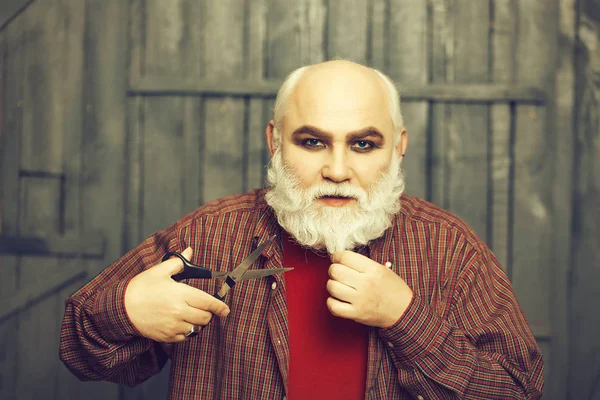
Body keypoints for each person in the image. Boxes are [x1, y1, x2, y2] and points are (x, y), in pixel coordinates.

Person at [59, 60, 544, 399]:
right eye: (312, 141)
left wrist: (406, 318)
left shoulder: (449, 248)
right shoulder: (208, 236)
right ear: (275, 141)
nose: (336, 169)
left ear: (398, 148)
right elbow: (78, 347)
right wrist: (125, 312)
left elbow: (519, 390)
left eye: (363, 144)